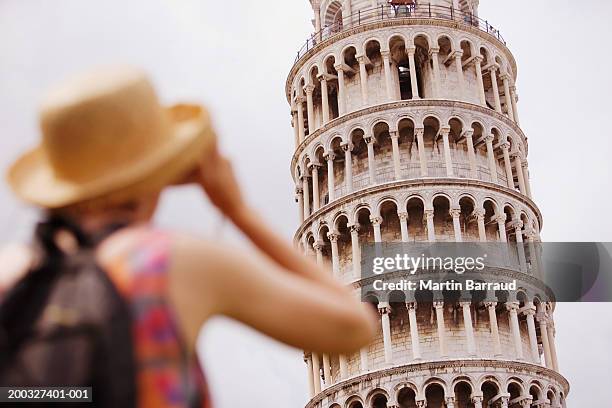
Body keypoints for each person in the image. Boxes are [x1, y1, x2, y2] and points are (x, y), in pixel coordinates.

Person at [0, 67, 377, 407]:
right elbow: (353, 326)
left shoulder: (13, 271)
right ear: (157, 172)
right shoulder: (167, 260)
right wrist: (237, 211)